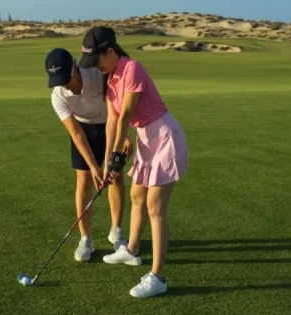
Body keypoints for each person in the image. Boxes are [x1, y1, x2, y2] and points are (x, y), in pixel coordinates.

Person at [77, 27, 188, 298]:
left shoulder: (132, 69)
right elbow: (113, 121)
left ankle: (158, 277)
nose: (96, 68)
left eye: (98, 61)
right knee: (137, 195)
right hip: (146, 141)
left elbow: (127, 112)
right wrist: (107, 163)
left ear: (111, 52)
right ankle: (132, 251)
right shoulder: (112, 79)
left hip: (163, 137)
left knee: (154, 207)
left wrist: (117, 155)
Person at [45, 48, 131, 262]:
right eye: (59, 80)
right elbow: (76, 132)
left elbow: (118, 103)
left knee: (114, 176)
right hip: (84, 131)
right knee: (83, 181)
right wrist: (93, 167)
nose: (65, 84)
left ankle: (116, 232)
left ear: (75, 68)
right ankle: (86, 239)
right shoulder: (58, 96)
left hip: (109, 124)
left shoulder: (95, 73)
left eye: (66, 78)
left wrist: (125, 133)